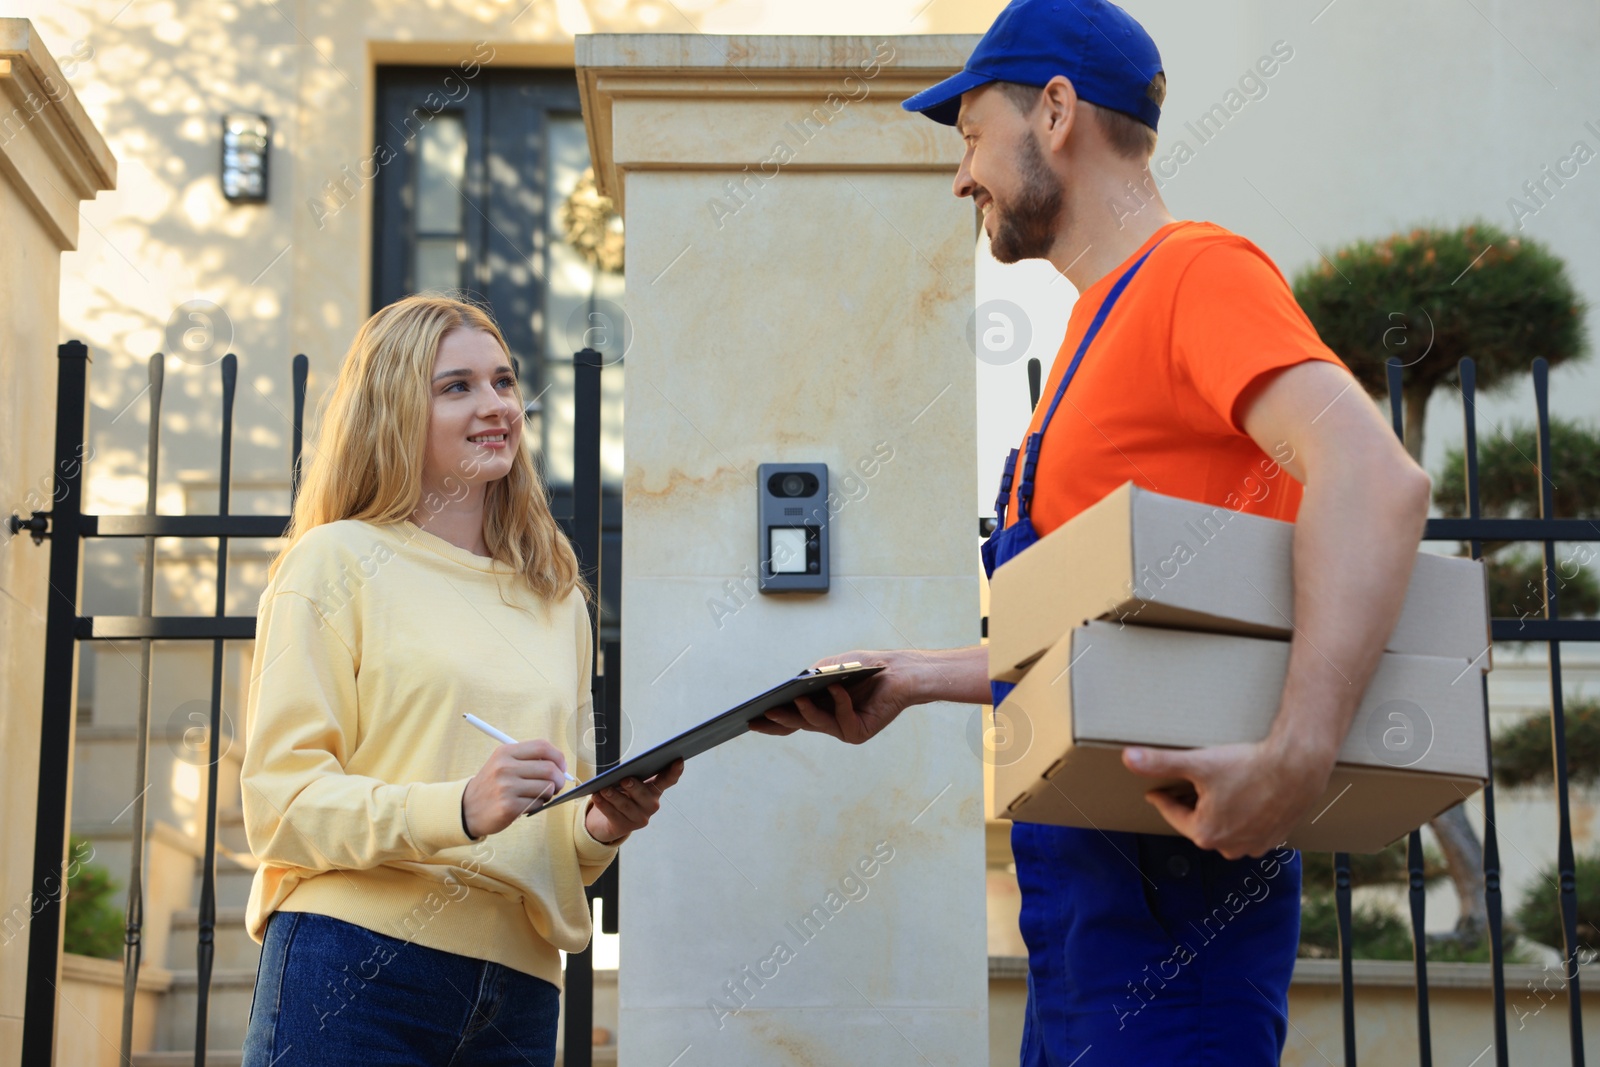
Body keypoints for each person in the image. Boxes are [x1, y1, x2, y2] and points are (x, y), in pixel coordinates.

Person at [755, 0, 1431, 1062]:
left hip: (1175, 928)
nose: (960, 175)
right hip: (1076, 934)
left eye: (972, 134)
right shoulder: (1090, 328)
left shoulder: (1194, 273)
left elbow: (1374, 475)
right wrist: (913, 673)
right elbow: (1105, 641)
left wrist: (1302, 750)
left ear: (1057, 112)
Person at [238, 294, 683, 1066]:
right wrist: (460, 807)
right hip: (355, 964)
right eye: (458, 387)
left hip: (520, 991)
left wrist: (602, 825)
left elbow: (553, 828)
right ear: (394, 410)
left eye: (503, 383)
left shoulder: (555, 597)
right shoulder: (334, 562)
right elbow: (282, 801)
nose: (496, 406)